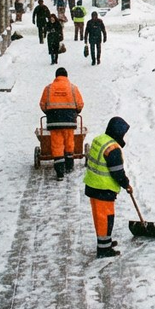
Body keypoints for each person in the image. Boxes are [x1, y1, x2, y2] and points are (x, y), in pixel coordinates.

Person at [84, 117, 132, 258]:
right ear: (118, 132)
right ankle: (104, 249)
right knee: (106, 219)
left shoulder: (100, 139)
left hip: (93, 185)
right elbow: (117, 173)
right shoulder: (113, 149)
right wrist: (126, 184)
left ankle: (105, 242)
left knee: (100, 218)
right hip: (103, 189)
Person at [40, 67, 85, 181]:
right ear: (66, 76)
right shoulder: (73, 88)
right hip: (69, 120)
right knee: (69, 142)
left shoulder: (48, 88)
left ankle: (60, 171)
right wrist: (75, 112)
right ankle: (69, 166)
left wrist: (49, 113)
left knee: (57, 145)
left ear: (56, 77)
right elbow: (80, 104)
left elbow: (42, 104)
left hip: (54, 121)